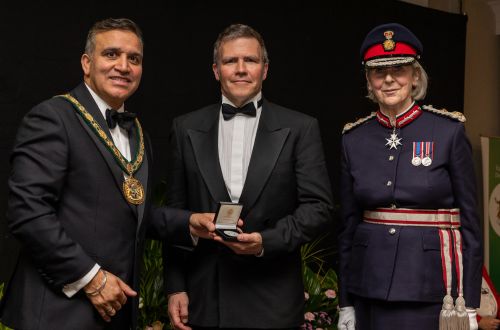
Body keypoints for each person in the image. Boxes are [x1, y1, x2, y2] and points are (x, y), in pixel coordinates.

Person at [0, 18, 215, 329]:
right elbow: (27, 214)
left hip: (116, 312)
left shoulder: (137, 131)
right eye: (111, 54)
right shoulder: (53, 117)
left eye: (134, 59)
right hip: (58, 315)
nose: (124, 66)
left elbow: (129, 211)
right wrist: (92, 279)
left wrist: (190, 223)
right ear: (87, 63)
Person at [165, 23, 333, 329]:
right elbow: (176, 215)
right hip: (206, 300)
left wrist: (266, 242)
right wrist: (176, 286)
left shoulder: (301, 128)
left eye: (250, 61)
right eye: (230, 61)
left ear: (265, 69)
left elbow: (319, 208)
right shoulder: (184, 128)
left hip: (273, 300)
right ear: (216, 70)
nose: (241, 69)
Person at [338, 23, 482, 330]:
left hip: (429, 288)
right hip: (368, 286)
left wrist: (470, 303)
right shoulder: (354, 139)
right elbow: (347, 227)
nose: (389, 79)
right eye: (379, 72)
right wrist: (345, 302)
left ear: (415, 75)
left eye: (399, 69)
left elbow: (471, 225)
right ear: (368, 79)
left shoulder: (448, 132)